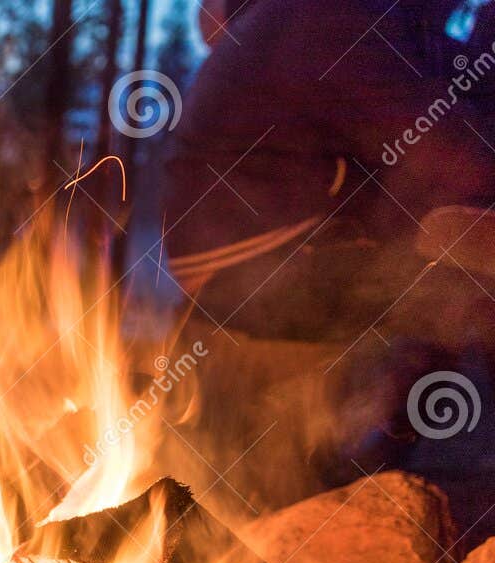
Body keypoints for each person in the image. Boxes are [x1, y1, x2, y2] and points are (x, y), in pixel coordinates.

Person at [166, 0, 495, 352]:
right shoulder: (326, 16)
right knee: (464, 299)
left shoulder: (351, 20)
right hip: (258, 279)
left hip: (251, 274)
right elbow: (446, 151)